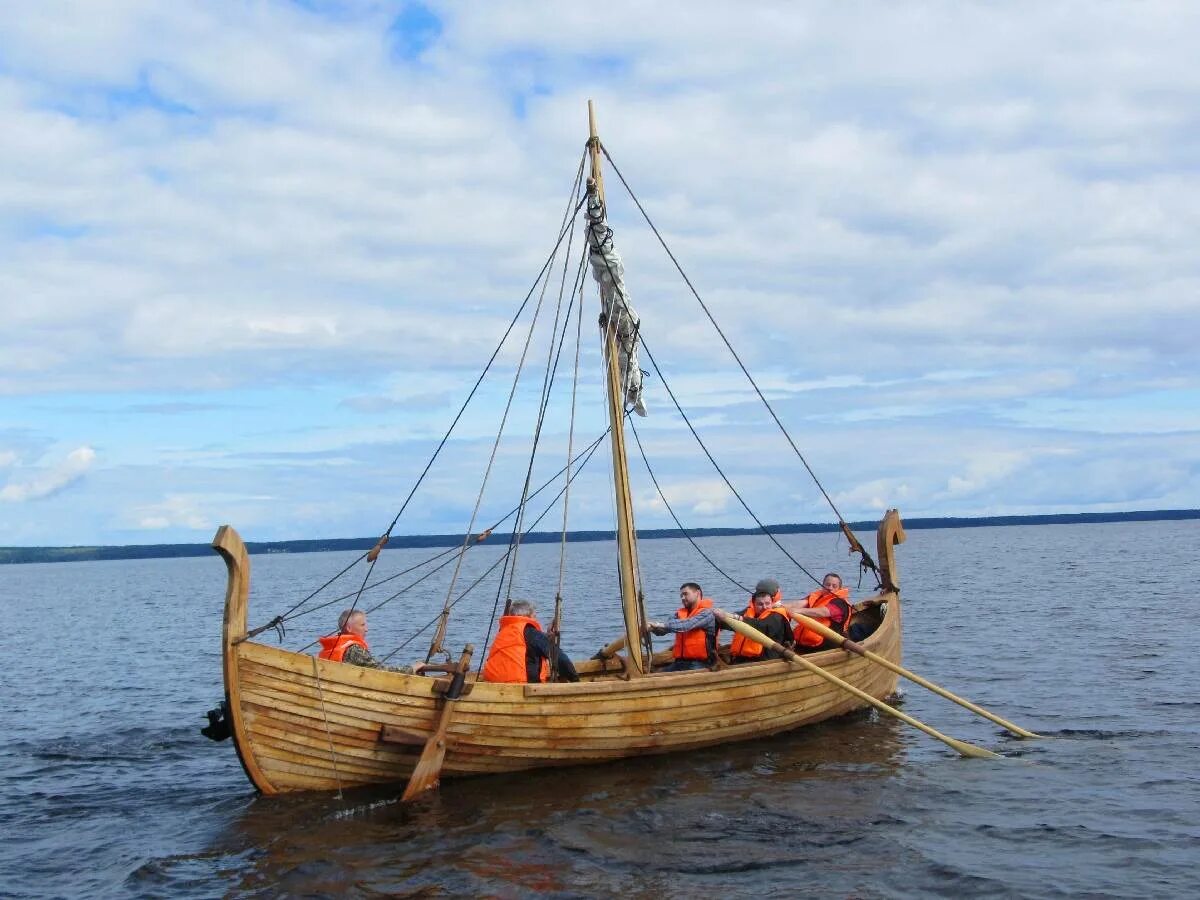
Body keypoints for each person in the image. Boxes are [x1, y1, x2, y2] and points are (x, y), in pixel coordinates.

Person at [482, 600, 580, 684]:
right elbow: (561, 659)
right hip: (520, 687)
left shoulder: (503, 631)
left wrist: (546, 636)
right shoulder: (532, 633)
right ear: (528, 616)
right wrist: (576, 681)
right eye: (535, 616)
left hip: (493, 683)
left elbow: (524, 643)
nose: (536, 619)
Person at [317, 608, 426, 674]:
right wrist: (411, 668)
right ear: (349, 628)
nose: (367, 629)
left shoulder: (335, 645)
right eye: (362, 625)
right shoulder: (354, 649)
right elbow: (381, 672)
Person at [645, 582, 717, 672]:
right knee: (655, 675)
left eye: (685, 594)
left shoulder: (707, 613)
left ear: (697, 593)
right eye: (681, 596)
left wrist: (659, 624)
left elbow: (686, 625)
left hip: (700, 663)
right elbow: (663, 631)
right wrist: (652, 628)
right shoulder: (678, 614)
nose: (682, 598)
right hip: (679, 662)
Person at [724, 581, 793, 663]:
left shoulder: (777, 615)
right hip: (743, 659)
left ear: (772, 600)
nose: (764, 607)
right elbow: (732, 621)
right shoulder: (750, 611)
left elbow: (761, 626)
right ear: (754, 603)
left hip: (765, 661)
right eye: (760, 604)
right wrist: (722, 619)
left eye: (767, 603)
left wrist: (739, 618)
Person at [784, 572, 853, 652]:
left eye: (834, 586)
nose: (830, 588)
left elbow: (823, 612)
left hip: (824, 648)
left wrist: (797, 611)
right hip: (804, 645)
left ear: (839, 588)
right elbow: (798, 603)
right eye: (828, 584)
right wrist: (779, 606)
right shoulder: (817, 597)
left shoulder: (840, 602)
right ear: (822, 585)